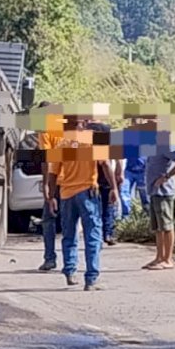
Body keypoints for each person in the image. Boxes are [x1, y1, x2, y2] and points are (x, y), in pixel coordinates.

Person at [47, 115, 118, 291]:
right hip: (87, 193)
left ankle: (70, 271)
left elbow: (53, 174)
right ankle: (91, 278)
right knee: (92, 235)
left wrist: (51, 197)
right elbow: (106, 165)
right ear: (81, 124)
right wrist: (113, 188)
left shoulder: (61, 144)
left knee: (69, 235)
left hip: (66, 195)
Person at [143, 125, 175, 270]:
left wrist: (167, 176)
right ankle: (159, 257)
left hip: (164, 191)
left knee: (166, 225)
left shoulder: (167, 145)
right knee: (158, 227)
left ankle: (168, 259)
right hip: (154, 190)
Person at [37, 102, 63, 271]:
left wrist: (46, 184)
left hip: (56, 180)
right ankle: (71, 262)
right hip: (72, 181)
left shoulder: (45, 130)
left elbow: (47, 159)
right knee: (69, 223)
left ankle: (50, 258)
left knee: (48, 220)